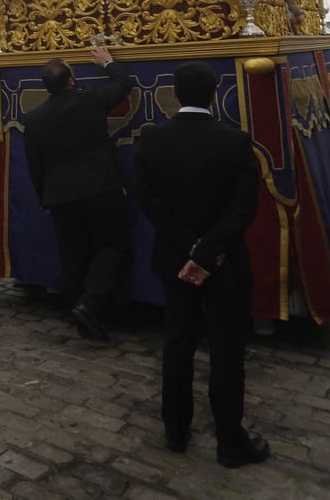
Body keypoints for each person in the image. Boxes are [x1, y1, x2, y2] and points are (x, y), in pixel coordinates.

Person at [132, 62, 268, 468]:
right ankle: (230, 440)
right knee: (227, 348)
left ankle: (176, 430)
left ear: (174, 94)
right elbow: (243, 206)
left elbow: (148, 201)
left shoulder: (153, 139)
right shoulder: (235, 141)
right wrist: (208, 252)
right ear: (214, 94)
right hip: (224, 261)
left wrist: (189, 248)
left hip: (175, 259)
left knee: (178, 342)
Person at [21, 45, 134, 341]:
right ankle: (91, 305)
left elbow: (35, 166)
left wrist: (44, 198)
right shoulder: (89, 100)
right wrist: (107, 62)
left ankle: (81, 315)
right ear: (71, 80)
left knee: (73, 256)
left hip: (61, 195)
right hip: (100, 187)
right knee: (111, 245)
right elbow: (124, 83)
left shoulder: (34, 119)